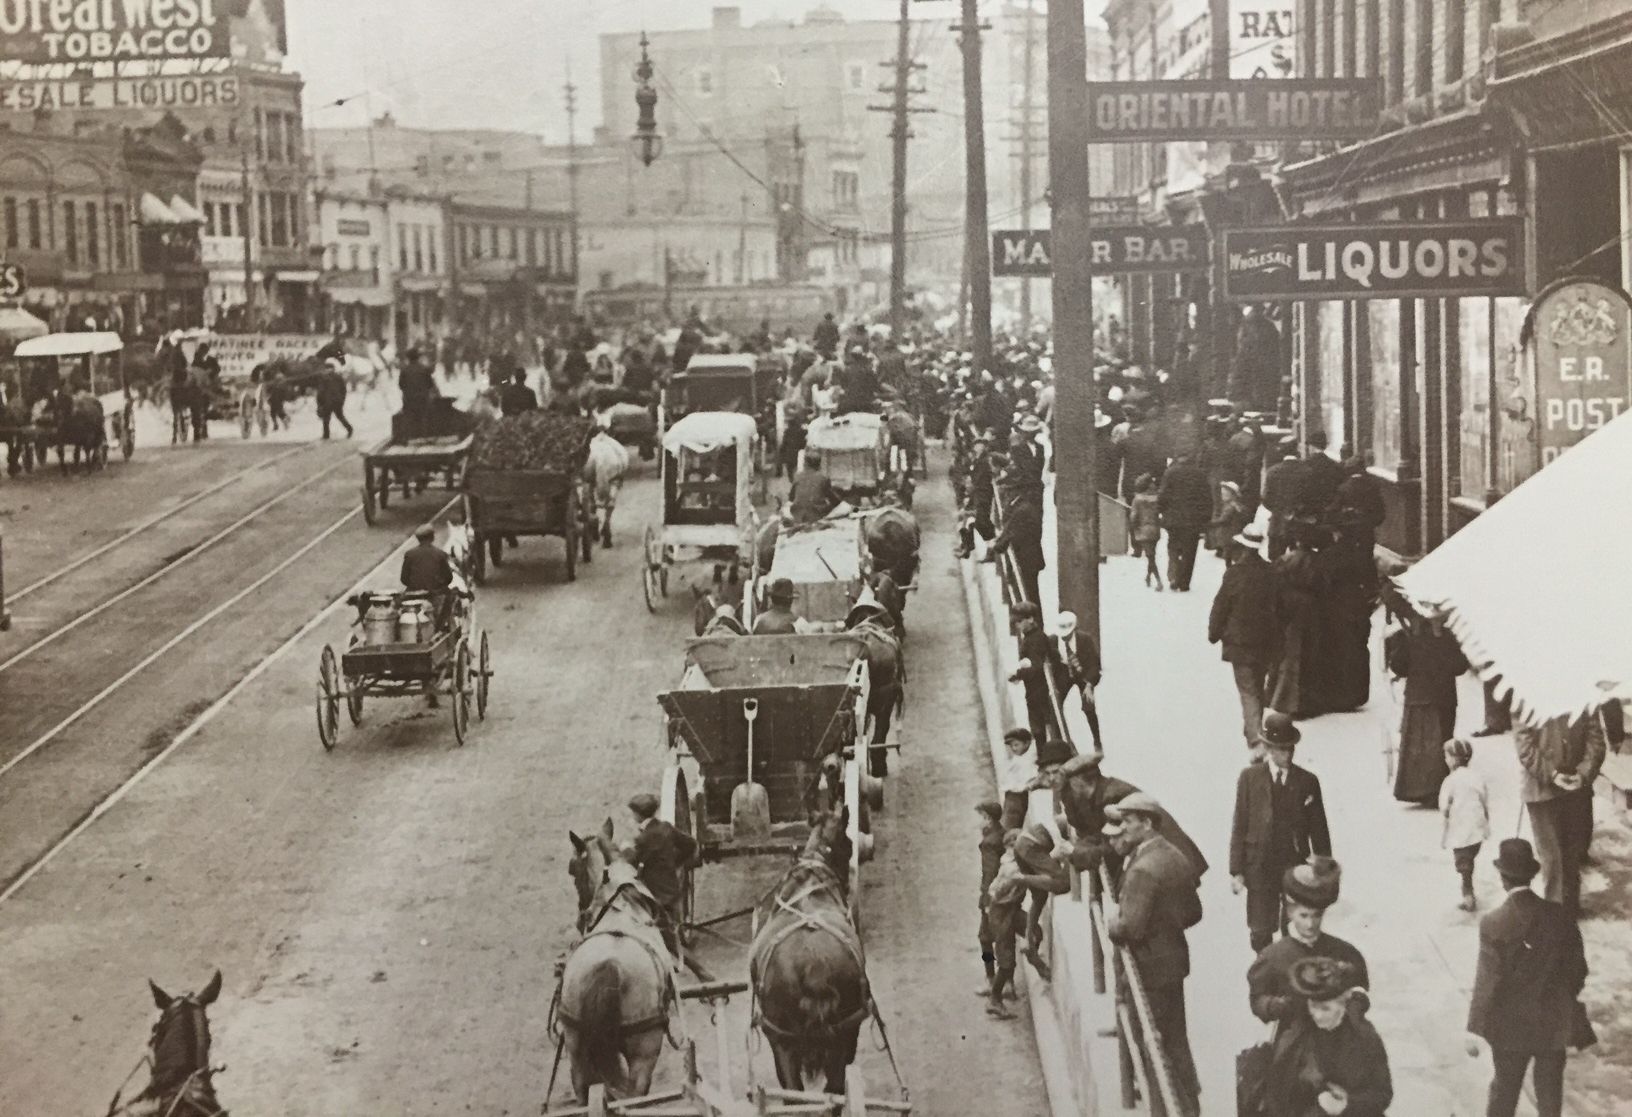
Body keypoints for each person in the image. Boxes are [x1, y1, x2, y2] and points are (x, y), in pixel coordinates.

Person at [1466, 838, 1592, 1117]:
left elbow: (1487, 981)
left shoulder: (1494, 923)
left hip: (1511, 1026)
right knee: (1550, 1096)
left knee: (1504, 1093)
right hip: (1553, 1022)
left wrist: (1474, 1028)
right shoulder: (1560, 916)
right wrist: (1559, 996)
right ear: (1532, 875)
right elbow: (1578, 970)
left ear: (1502, 878)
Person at [1104, 793, 1203, 1117]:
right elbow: (1193, 913)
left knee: (1153, 1041)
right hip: (1173, 960)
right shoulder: (1174, 854)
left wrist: (1112, 922)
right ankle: (1190, 1106)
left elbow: (1129, 928)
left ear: (1146, 824)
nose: (1124, 828)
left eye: (1129, 822)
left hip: (1150, 967)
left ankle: (1167, 1109)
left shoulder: (1144, 867)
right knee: (1176, 1039)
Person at [1230, 713, 1332, 952]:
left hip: (1293, 864)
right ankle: (1264, 970)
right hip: (1259, 865)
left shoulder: (1307, 781)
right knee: (1260, 930)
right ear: (1266, 748)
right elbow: (1239, 824)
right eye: (1279, 749)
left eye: (1289, 749)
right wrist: (1236, 870)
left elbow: (1319, 829)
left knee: (1293, 927)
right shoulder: (1249, 778)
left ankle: (1289, 972)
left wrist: (1323, 867)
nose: (1286, 755)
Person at [1261, 958, 1393, 1117]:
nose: (1317, 1015)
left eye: (1326, 1009)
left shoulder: (1364, 1037)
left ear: (1343, 1003)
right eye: (1313, 1006)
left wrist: (1347, 1105)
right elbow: (1278, 1096)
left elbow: (1383, 1094)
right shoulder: (1295, 1037)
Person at [1246, 858, 1369, 1027]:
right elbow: (1258, 999)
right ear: (1290, 913)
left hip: (1339, 1034)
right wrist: (1274, 1006)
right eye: (1303, 916)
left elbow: (1360, 987)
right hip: (1295, 1036)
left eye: (1317, 915)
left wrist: (1355, 1004)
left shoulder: (1344, 951)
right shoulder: (1273, 956)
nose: (1310, 924)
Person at [1516, 710, 1607, 919]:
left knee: (1572, 853)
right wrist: (1552, 774)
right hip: (1541, 790)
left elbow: (1596, 740)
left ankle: (1570, 909)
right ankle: (1556, 917)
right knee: (1552, 858)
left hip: (1576, 788)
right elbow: (1525, 746)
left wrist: (1583, 774)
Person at [1386, 612, 1469, 805]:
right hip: (1441, 698)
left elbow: (1398, 667)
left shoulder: (1407, 635)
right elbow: (1460, 666)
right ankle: (1438, 790)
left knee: (1417, 746)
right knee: (1441, 743)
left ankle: (1418, 790)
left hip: (1420, 697)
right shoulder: (1446, 636)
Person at [1209, 525, 1280, 748]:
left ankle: (1255, 738)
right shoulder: (1271, 573)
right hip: (1266, 641)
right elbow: (1281, 607)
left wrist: (1214, 632)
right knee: (1258, 684)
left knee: (1248, 690)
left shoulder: (1234, 574)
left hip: (1239, 642)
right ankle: (1253, 725)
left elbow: (1220, 606)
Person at [629, 791, 699, 957]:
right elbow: (690, 844)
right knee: (671, 924)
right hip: (672, 887)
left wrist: (626, 850)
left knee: (659, 930)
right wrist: (676, 862)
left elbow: (632, 863)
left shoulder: (642, 839)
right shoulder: (666, 828)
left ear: (638, 815)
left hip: (654, 893)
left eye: (633, 813)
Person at [1440, 737, 1491, 912]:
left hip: (1461, 827)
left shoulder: (1450, 781)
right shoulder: (1476, 777)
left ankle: (1468, 895)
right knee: (1469, 858)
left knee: (1463, 862)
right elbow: (1484, 799)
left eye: (1447, 756)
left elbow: (1444, 805)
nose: (1446, 760)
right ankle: (1468, 888)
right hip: (1477, 826)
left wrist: (1447, 814)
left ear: (1454, 759)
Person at [1157, 452, 1212, 592]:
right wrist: (1206, 519)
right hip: (1193, 520)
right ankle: (1184, 582)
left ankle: (1174, 575)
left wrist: (1159, 511)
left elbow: (1163, 495)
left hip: (1173, 518)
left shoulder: (1171, 472)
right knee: (1190, 551)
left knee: (1173, 546)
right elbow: (1207, 498)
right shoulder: (1200, 474)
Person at [1049, 611, 1103, 751]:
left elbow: (1094, 665)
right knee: (1055, 705)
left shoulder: (1084, 640)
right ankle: (1061, 741)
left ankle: (1097, 739)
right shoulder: (1052, 641)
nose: (1065, 636)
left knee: (1089, 706)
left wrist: (1089, 685)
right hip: (1063, 673)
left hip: (1082, 673)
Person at [985, 481, 1045, 604]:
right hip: (1028, 557)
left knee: (1027, 593)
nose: (1006, 493)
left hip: (1027, 559)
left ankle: (1032, 620)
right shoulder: (1020, 505)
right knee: (1028, 592)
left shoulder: (1021, 509)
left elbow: (1011, 532)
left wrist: (996, 545)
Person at [1007, 601, 1058, 745]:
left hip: (1039, 689)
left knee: (1040, 725)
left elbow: (1035, 667)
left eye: (1019, 621)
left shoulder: (1035, 640)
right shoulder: (1032, 636)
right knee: (1039, 725)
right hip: (1035, 688)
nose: (1017, 625)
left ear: (1030, 619)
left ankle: (1044, 756)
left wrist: (1017, 674)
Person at [975, 801, 1008, 999]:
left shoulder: (989, 843)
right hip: (1006, 895)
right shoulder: (1001, 834)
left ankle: (991, 979)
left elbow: (989, 873)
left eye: (979, 816)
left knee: (985, 939)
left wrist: (986, 900)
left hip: (993, 897)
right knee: (1006, 937)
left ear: (987, 818)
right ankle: (1009, 984)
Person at [401, 522, 455, 631]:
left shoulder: (409, 554)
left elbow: (404, 579)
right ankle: (445, 628)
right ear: (432, 537)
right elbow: (449, 578)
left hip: (413, 595)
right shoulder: (440, 554)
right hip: (435, 594)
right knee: (450, 597)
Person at [997, 728, 1038, 831]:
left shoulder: (1029, 759)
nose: (1013, 749)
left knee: (1011, 821)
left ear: (1027, 743)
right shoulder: (1018, 759)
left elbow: (1030, 776)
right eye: (1011, 746)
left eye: (1016, 745)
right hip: (1013, 795)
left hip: (1019, 795)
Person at [1129, 474, 1164, 590]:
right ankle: (1148, 576)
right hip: (1155, 529)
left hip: (1143, 530)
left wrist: (1134, 529)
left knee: (1150, 557)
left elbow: (1134, 517)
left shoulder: (1137, 499)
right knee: (1151, 554)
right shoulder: (1157, 498)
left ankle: (1159, 581)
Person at [788, 451, 838, 524]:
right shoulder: (823, 478)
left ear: (805, 463)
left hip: (797, 514)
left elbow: (791, 498)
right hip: (816, 514)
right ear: (819, 464)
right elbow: (833, 499)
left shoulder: (798, 476)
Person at [187, 341, 219, 441]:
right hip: (198, 386)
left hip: (206, 384)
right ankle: (201, 431)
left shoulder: (211, 360)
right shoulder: (196, 360)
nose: (202, 353)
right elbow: (193, 371)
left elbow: (216, 369)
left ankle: (202, 430)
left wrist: (211, 373)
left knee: (203, 408)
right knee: (199, 410)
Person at [316, 358, 354, 439]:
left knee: (328, 418)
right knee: (337, 417)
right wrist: (342, 400)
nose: (325, 371)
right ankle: (349, 429)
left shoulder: (325, 378)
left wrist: (319, 402)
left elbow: (321, 391)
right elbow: (343, 390)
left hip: (329, 401)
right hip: (335, 401)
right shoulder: (337, 377)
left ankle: (326, 435)